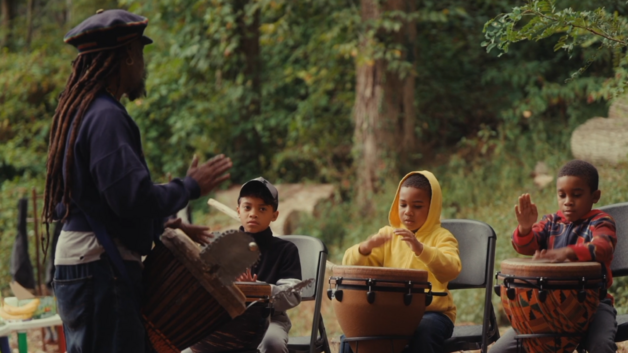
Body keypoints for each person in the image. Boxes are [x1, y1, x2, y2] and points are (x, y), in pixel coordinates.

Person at [41, 9, 232, 353]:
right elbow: (130, 199)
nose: (143, 64)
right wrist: (190, 187)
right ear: (127, 55)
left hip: (88, 264)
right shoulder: (106, 117)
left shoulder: (86, 112)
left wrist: (161, 222)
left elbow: (105, 200)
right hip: (100, 270)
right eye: (140, 53)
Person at [490, 159, 618, 353]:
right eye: (562, 195)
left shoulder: (600, 221)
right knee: (498, 351)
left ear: (595, 196)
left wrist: (567, 252)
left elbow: (603, 247)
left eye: (576, 195)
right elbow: (525, 246)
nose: (568, 201)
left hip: (594, 305)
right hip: (546, 306)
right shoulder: (550, 222)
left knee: (601, 345)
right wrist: (525, 228)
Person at [342, 171, 461, 353]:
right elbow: (349, 266)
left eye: (417, 206)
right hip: (391, 314)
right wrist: (364, 248)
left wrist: (420, 248)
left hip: (432, 314)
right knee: (353, 337)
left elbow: (451, 268)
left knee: (424, 331)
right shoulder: (388, 235)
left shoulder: (442, 237)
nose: (408, 212)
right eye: (403, 204)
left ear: (433, 207)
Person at [236, 177, 302, 353]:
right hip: (227, 317)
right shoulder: (225, 246)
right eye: (247, 207)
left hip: (269, 319)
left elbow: (293, 294)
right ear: (238, 210)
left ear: (275, 215)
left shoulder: (286, 250)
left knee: (272, 344)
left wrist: (259, 290)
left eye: (262, 208)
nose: (253, 213)